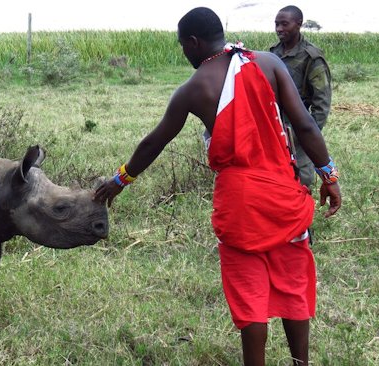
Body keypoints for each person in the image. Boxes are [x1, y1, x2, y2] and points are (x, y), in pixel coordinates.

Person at [93, 7, 341, 366]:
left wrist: (120, 180)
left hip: (239, 205)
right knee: (292, 284)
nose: (184, 54)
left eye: (183, 47)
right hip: (284, 196)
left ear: (193, 43)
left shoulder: (193, 89)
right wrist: (328, 176)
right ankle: (301, 363)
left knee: (250, 295)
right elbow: (304, 124)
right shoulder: (269, 63)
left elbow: (154, 143)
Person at [270, 5, 332, 188]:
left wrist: (306, 135)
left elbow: (321, 104)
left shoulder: (311, 57)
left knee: (301, 182)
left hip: (298, 130)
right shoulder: (273, 53)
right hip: (274, 128)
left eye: (284, 24)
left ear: (298, 24)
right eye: (276, 24)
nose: (279, 29)